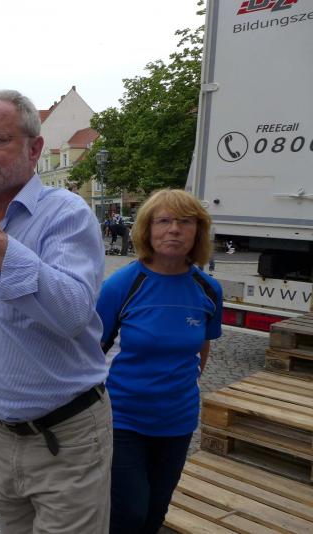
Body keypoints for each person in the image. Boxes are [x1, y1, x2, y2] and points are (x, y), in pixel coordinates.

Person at [0, 90, 112, 533]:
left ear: (34, 149)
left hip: (66, 439)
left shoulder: (66, 215)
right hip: (1, 436)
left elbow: (72, 313)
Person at [96, 189, 222, 534]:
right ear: (147, 230)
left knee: (156, 511)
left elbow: (201, 348)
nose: (174, 229)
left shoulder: (208, 289)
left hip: (177, 422)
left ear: (198, 231)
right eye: (163, 221)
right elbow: (91, 351)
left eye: (185, 222)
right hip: (122, 419)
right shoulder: (121, 286)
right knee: (129, 512)